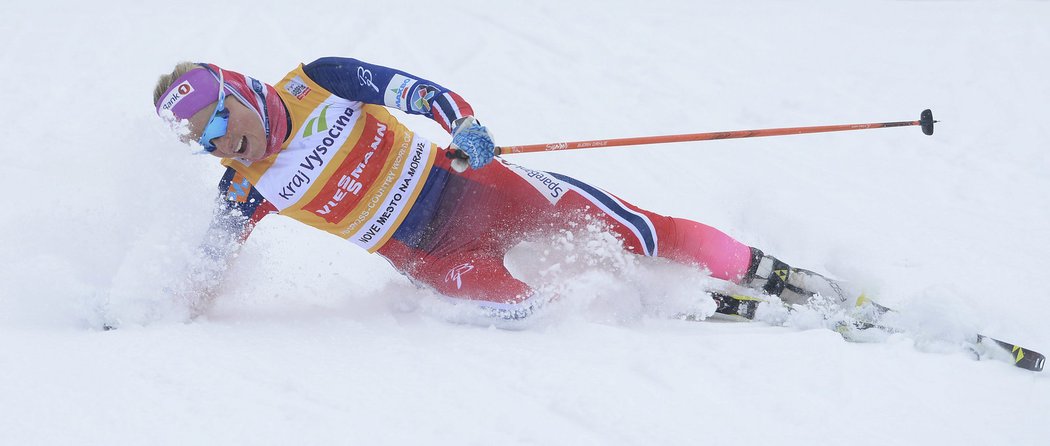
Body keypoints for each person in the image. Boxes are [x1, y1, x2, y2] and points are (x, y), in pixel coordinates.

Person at [152, 57, 857, 322]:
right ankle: (696, 307)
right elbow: (208, 265)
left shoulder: (321, 82)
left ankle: (776, 276)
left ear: (239, 89)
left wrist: (464, 127)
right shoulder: (243, 188)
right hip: (426, 254)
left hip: (474, 186)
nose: (218, 140)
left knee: (635, 227)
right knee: (532, 308)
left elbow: (424, 94)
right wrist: (151, 312)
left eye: (217, 117)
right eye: (199, 138)